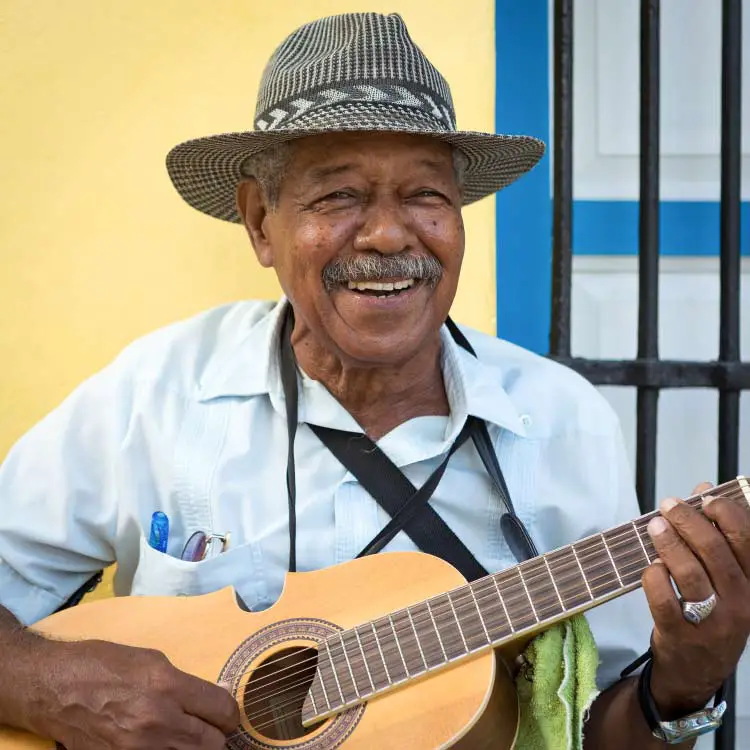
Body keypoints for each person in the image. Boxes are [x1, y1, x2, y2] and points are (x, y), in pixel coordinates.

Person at [0, 12, 747, 750]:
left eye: (426, 196)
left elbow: (592, 733)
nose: (390, 236)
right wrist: (50, 685)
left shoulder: (563, 421)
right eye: (338, 197)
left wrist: (686, 682)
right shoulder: (156, 392)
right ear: (261, 222)